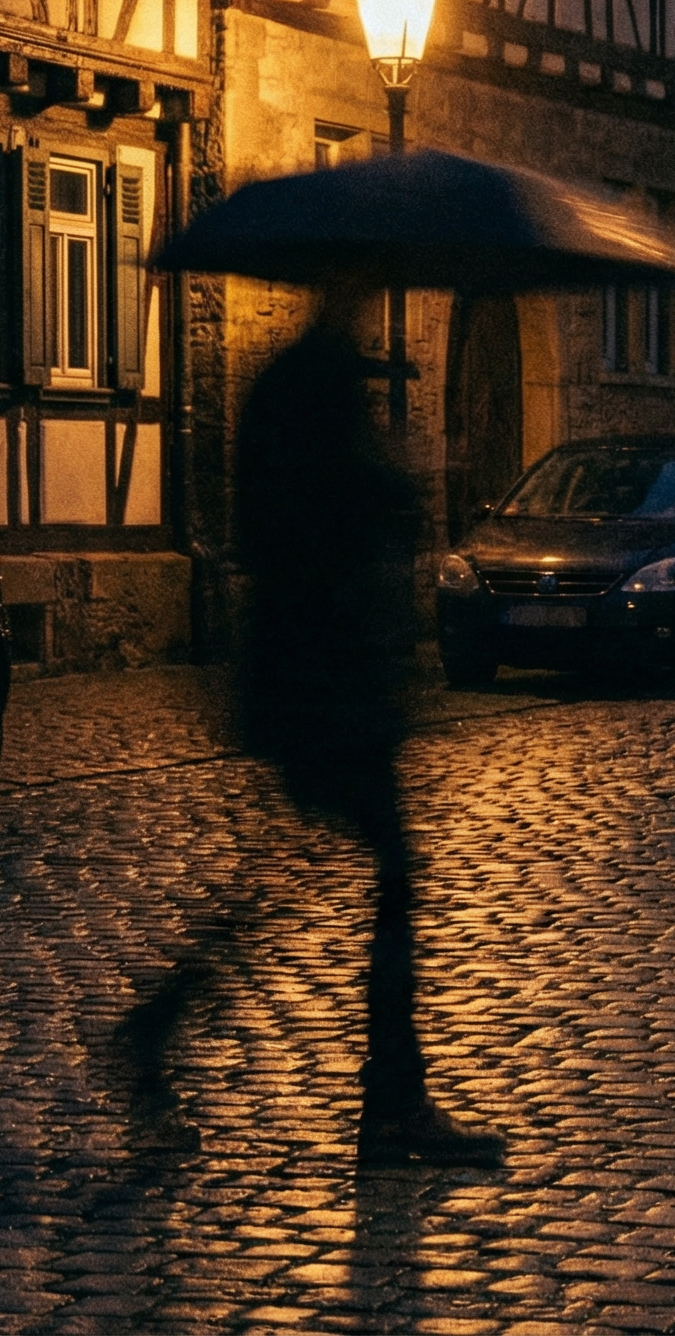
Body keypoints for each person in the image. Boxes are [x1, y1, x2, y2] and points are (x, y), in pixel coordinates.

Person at [118, 287, 505, 1167]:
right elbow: (309, 530)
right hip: (322, 682)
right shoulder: (307, 388)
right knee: (387, 881)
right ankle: (393, 1106)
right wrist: (396, 484)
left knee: (287, 879)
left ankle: (162, 1024)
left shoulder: (304, 381)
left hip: (320, 683)